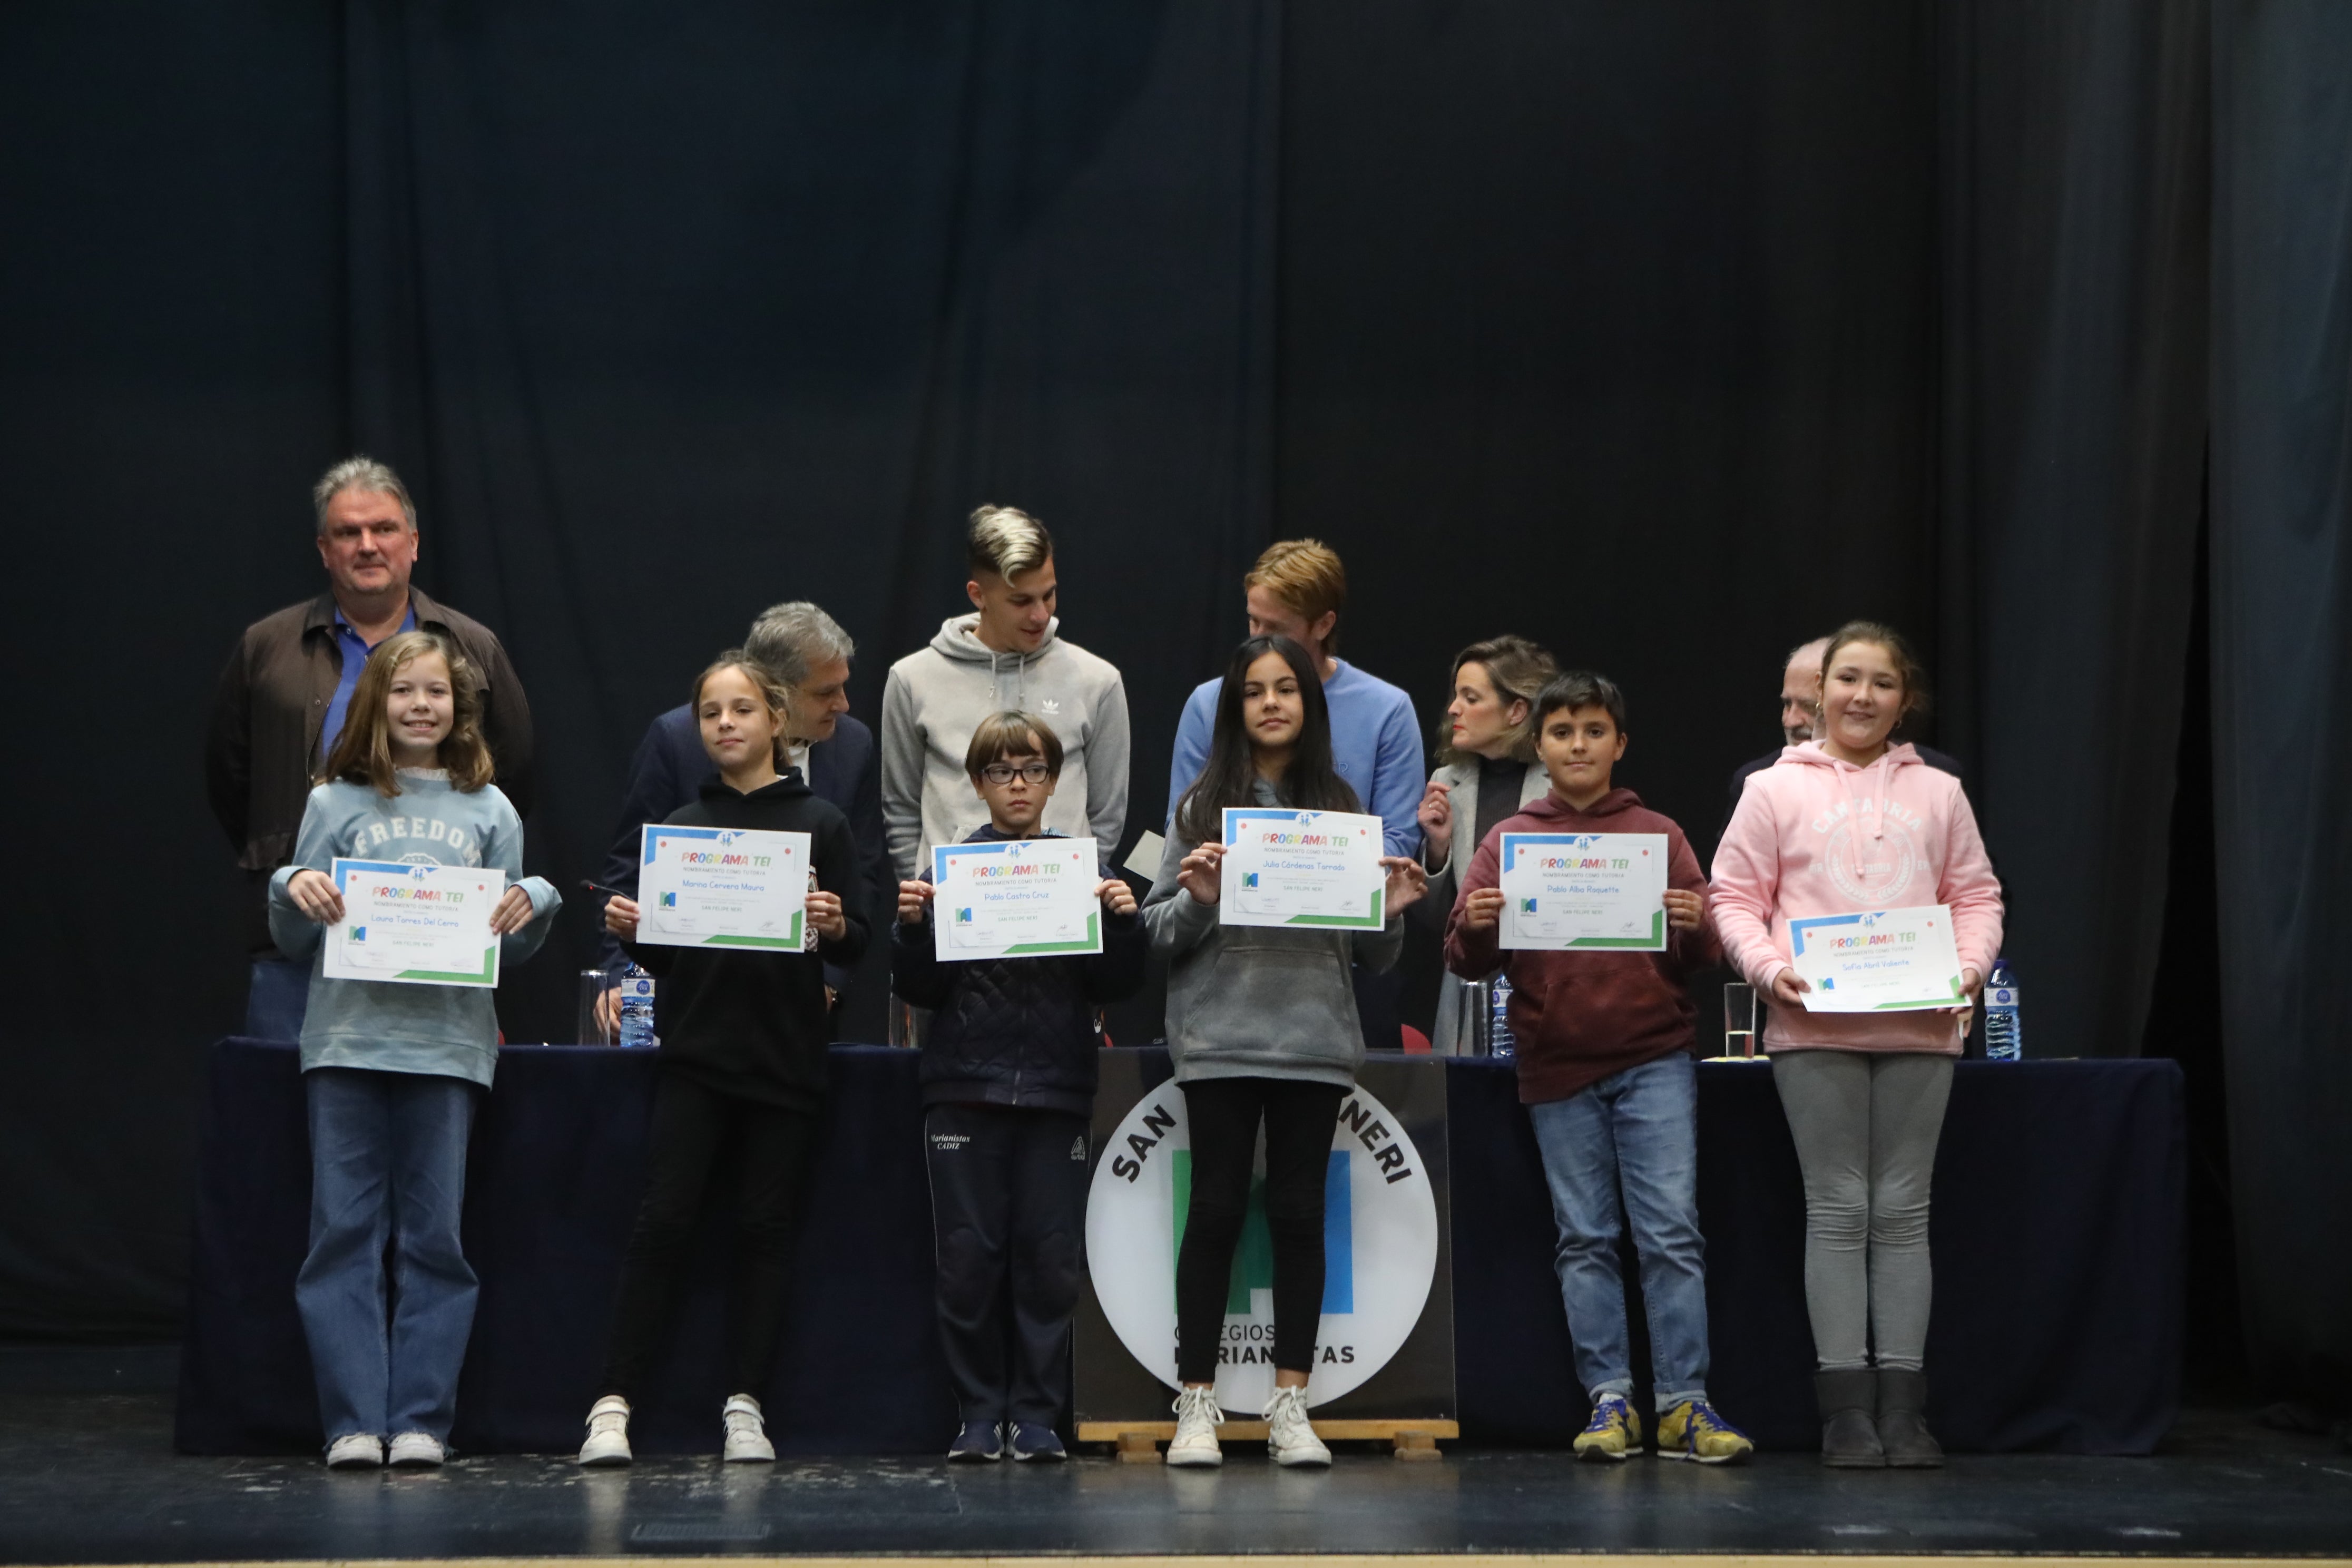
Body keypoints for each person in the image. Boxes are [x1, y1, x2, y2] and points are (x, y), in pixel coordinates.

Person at [1710, 621, 2003, 1469]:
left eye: (1881, 683)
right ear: (1819, 692)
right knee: (1839, 1210)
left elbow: (1975, 894)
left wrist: (1970, 968)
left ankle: (1905, 1410)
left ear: (1903, 699)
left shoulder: (1939, 792)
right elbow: (1734, 895)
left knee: (1903, 1213)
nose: (1862, 697)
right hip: (1814, 1027)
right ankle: (1845, 1410)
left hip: (1920, 1024)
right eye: (1848, 680)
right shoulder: (1772, 789)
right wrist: (1769, 971)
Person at [267, 630, 562, 1469]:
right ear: (375, 704)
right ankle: (353, 1421)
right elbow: (293, 935)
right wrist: (291, 885)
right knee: (343, 1235)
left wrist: (534, 899)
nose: (421, 706)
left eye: (436, 692)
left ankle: (424, 1420)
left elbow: (512, 945)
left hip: (449, 1048)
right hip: (347, 1042)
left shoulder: (492, 810)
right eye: (403, 692)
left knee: (436, 1239)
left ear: (461, 708)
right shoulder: (334, 803)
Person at [1445, 672, 1754, 1465]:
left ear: (1620, 743)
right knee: (1584, 1238)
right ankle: (1610, 1398)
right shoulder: (1510, 841)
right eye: (1562, 733)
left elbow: (1699, 956)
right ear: (1541, 748)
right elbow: (1466, 958)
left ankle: (1685, 1403)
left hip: (1654, 1058)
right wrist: (1478, 927)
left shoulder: (1658, 835)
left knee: (1671, 1235)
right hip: (1555, 1067)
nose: (1578, 745)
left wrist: (1693, 926)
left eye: (1593, 731)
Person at [577, 654, 870, 1467]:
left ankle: (746, 1405)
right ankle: (613, 1404)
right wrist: (637, 938)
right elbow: (672, 961)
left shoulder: (823, 824)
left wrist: (836, 923)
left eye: (742, 709)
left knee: (764, 1230)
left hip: (784, 1060)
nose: (726, 725)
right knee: (662, 1222)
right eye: (711, 713)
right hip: (696, 1056)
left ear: (777, 720)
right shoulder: (675, 825)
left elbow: (859, 939)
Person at [1143, 635, 1428, 1468]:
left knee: (1302, 1216)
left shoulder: (1342, 809)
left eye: (1286, 691)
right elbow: (1156, 931)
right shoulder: (1201, 807)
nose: (1270, 703)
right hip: (1220, 1038)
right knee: (1217, 1211)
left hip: (1313, 1040)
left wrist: (1393, 909)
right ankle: (1196, 1402)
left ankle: (1289, 1403)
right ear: (1233, 708)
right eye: (1254, 692)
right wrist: (1199, 901)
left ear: (1310, 705)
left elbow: (1374, 958)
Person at [890, 713, 1147, 1464]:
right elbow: (923, 991)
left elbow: (1116, 985)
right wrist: (913, 930)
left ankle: (1035, 1415)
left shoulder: (1079, 872)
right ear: (977, 784)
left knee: (1049, 1259)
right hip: (964, 1087)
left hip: (1057, 1089)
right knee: (968, 1259)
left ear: (1055, 780)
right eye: (1001, 772)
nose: (1018, 785)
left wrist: (1124, 925)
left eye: (1033, 770)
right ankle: (977, 1415)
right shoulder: (949, 874)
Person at [209, 456, 535, 1042]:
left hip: (435, 940)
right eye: (347, 533)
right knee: (284, 1122)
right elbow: (229, 777)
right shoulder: (266, 647)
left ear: (412, 543)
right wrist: (289, 859)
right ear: (323, 548)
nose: (367, 545)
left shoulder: (473, 647)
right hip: (299, 941)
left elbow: (513, 774)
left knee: (427, 1114)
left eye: (383, 529)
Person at [595, 601, 886, 1027]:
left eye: (843, 687)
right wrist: (621, 977)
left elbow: (861, 875)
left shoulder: (854, 745)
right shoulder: (679, 741)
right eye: (826, 692)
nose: (843, 704)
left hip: (795, 1013)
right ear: (777, 693)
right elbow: (630, 867)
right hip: (696, 1003)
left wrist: (829, 981)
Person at [880, 505, 1130, 881]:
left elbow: (1107, 814)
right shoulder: (912, 679)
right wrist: (929, 895)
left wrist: (1071, 886)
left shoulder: (1098, 680)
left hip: (1060, 910)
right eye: (1022, 601)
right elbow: (900, 807)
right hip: (955, 911)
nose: (1041, 615)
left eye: (1049, 595)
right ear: (978, 595)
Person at [1168, 540, 1424, 856]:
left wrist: (1312, 882)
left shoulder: (1387, 710)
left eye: (1275, 627)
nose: (1258, 637)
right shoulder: (1207, 703)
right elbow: (1181, 829)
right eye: (1253, 620)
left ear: (1323, 625)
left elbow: (1397, 838)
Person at [1412, 635, 1559, 1053]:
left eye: (1470, 697)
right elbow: (1438, 923)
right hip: (1468, 993)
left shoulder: (1563, 782)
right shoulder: (1446, 781)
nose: (1453, 709)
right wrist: (1437, 852)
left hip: (1546, 990)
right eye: (1456, 696)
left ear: (1517, 711)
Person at [1721, 635, 1964, 844]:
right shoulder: (1758, 783)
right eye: (1787, 704)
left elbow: (1972, 889)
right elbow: (1735, 891)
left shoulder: (1937, 778)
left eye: (1808, 706)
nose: (1791, 721)